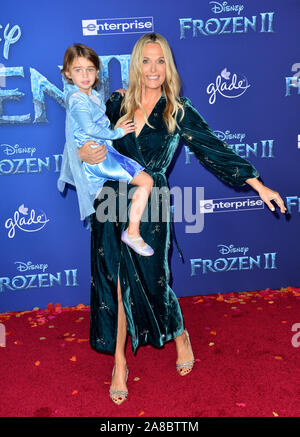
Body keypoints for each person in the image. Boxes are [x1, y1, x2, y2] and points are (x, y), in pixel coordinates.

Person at [77, 33, 287, 405]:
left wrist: (259, 186)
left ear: (168, 66)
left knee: (155, 282)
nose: (154, 69)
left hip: (152, 204)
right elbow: (87, 142)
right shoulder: (115, 103)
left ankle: (180, 335)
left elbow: (213, 149)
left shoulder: (178, 109)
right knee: (116, 284)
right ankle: (120, 363)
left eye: (161, 61)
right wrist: (87, 153)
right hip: (111, 199)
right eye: (147, 61)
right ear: (136, 64)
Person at [58, 43, 154, 256]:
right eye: (78, 70)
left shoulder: (91, 94)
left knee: (111, 209)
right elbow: (90, 128)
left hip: (102, 153)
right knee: (147, 181)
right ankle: (133, 233)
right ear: (67, 73)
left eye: (90, 69)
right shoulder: (76, 99)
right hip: (99, 157)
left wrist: (118, 94)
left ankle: (126, 239)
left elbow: (99, 117)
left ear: (97, 71)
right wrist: (118, 132)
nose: (85, 75)